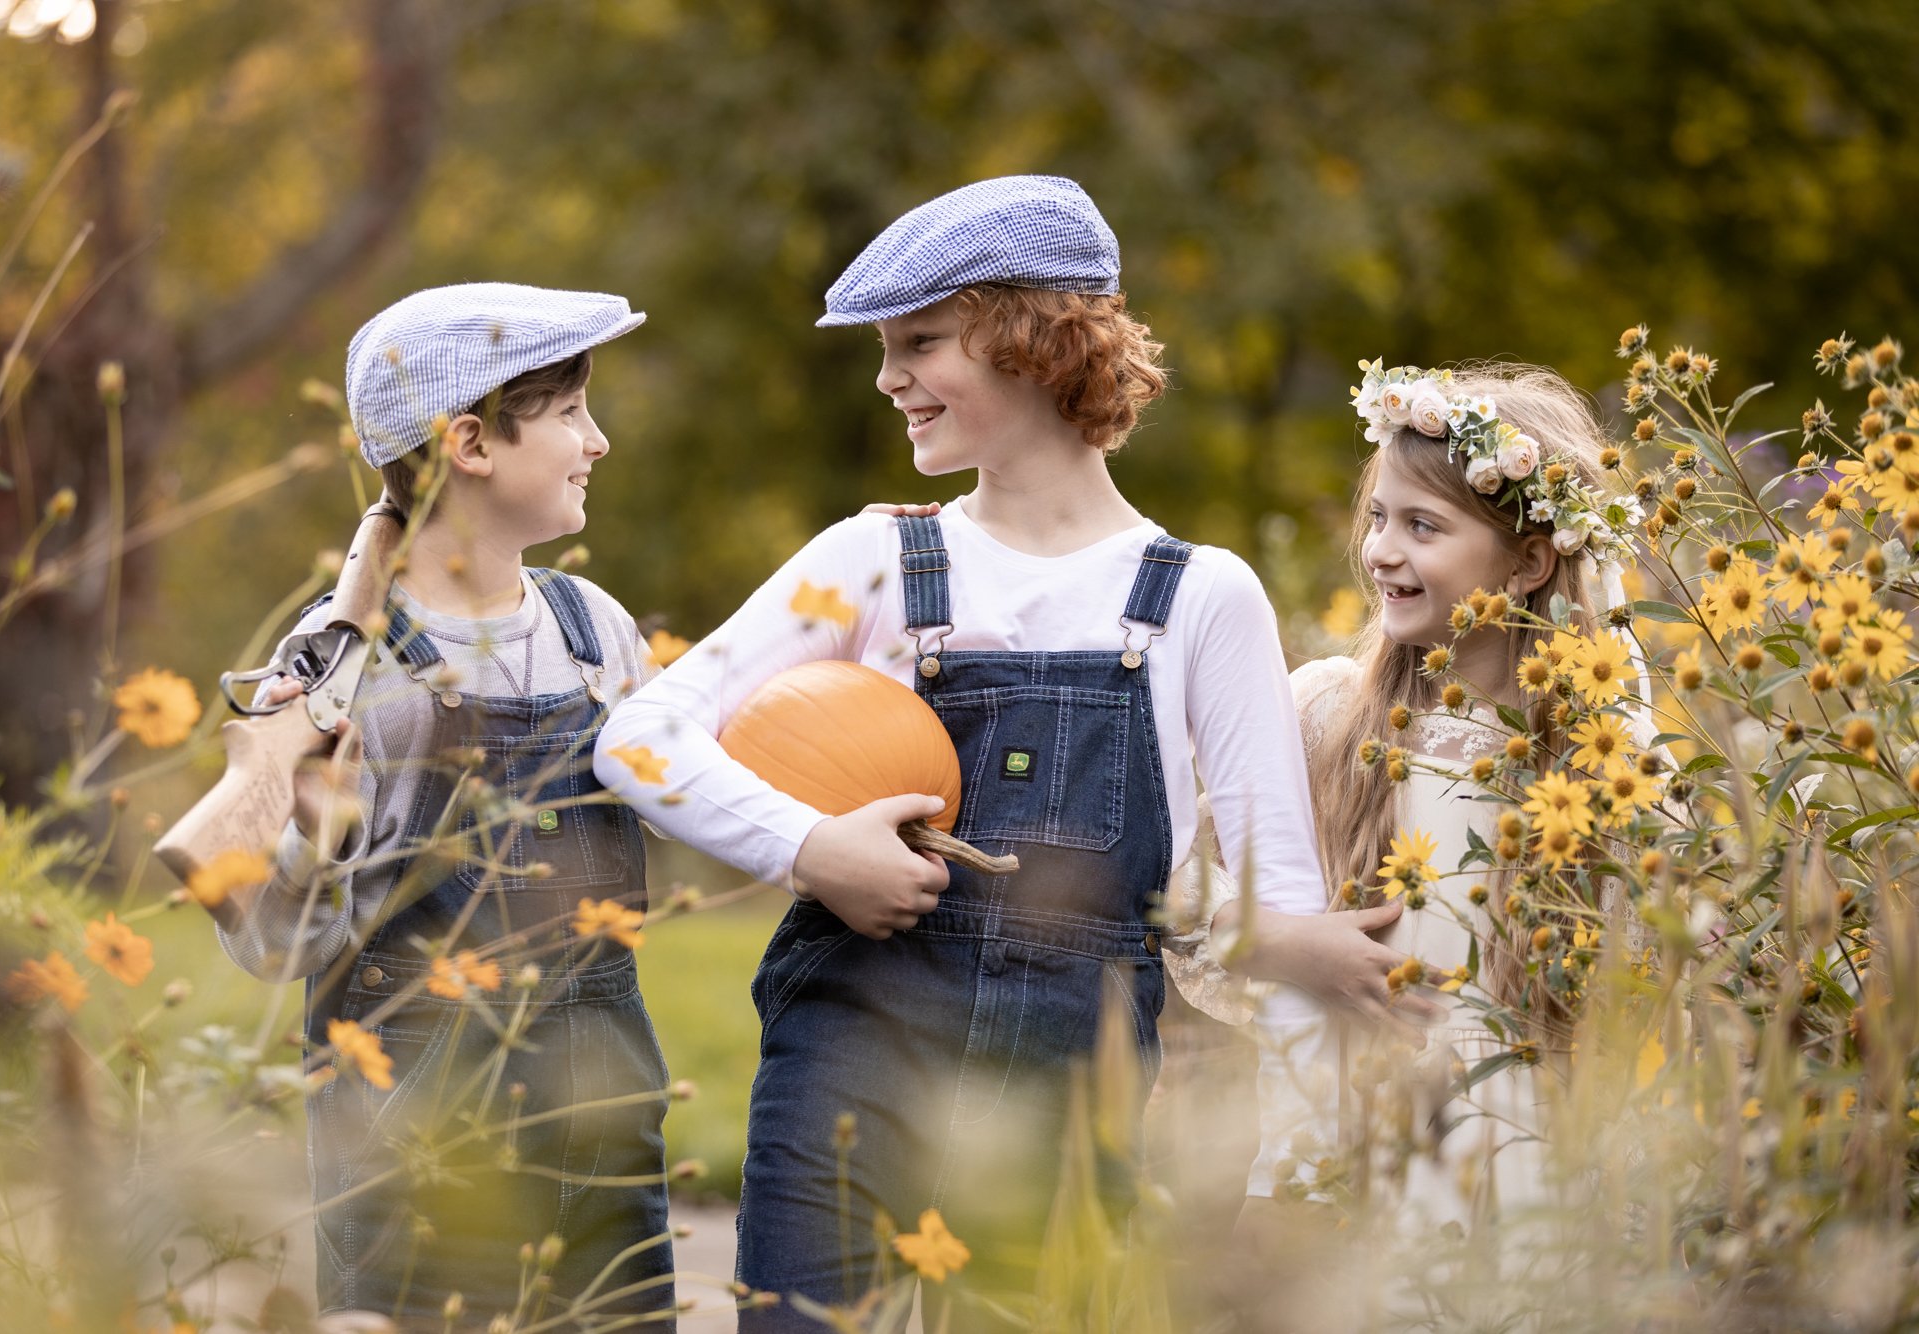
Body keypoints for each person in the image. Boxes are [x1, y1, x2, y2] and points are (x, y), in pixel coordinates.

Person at [593, 176, 1418, 1327]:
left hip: (1073, 1093)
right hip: (850, 1055)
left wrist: (1287, 1170)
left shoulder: (1197, 597)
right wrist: (811, 846)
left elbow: (1273, 904)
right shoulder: (873, 562)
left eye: (918, 343)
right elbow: (639, 737)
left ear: (1031, 342)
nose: (886, 379)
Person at [217, 283, 674, 1329]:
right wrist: (304, 823)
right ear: (470, 440)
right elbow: (272, 948)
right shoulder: (339, 659)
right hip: (413, 1137)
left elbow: (690, 795)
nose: (597, 440)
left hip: (600, 1112)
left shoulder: (588, 626)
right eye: (568, 414)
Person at [1170, 359, 1644, 1237]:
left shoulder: (1597, 775)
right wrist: (1283, 944)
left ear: (1530, 561)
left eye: (1424, 526)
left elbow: (1648, 994)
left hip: (1528, 1183)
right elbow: (1178, 889)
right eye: (1380, 517)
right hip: (1339, 1170)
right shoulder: (1324, 718)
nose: (1383, 548)